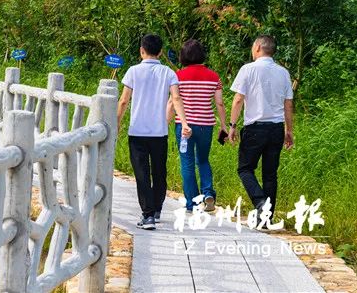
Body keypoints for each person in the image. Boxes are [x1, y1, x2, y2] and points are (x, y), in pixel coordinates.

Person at [118, 34, 191, 230]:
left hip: (138, 132)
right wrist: (184, 122)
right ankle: (156, 209)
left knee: (142, 173)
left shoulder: (133, 71)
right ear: (160, 52)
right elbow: (176, 99)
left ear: (142, 50)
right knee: (159, 171)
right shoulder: (169, 73)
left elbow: (124, 101)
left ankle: (148, 215)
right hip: (159, 132)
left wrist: (116, 124)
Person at [228, 34, 294, 219]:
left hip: (255, 128)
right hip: (276, 129)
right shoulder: (283, 72)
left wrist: (232, 126)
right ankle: (267, 216)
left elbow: (238, 99)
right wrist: (289, 131)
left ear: (257, 48)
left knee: (245, 169)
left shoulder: (248, 69)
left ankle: (260, 202)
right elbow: (288, 104)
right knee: (270, 174)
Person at [167, 39, 228, 213]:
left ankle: (192, 203)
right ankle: (208, 193)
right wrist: (223, 125)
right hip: (206, 126)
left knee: (186, 163)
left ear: (183, 55)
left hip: (184, 127)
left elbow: (173, 101)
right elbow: (220, 103)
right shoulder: (214, 76)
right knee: (202, 160)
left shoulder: (177, 76)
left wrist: (165, 123)